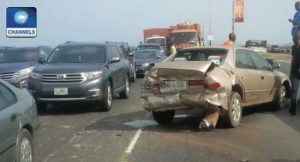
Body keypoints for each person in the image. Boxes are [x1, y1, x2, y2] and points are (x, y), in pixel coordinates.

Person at [290, 34, 300, 116]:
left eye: (296, 40)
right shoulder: (293, 47)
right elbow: (292, 59)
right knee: (294, 90)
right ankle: (293, 109)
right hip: (295, 72)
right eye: (294, 40)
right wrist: (291, 71)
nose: (295, 41)